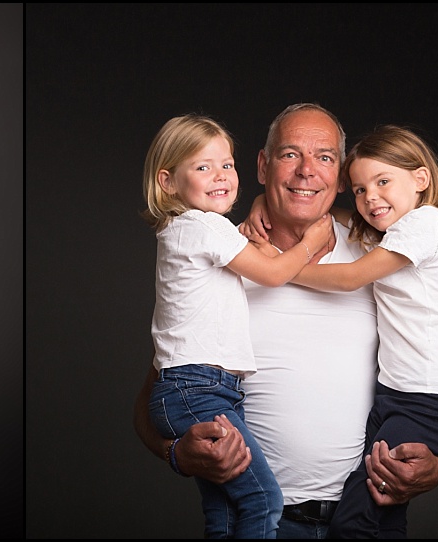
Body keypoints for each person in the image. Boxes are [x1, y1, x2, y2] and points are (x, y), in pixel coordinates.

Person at [133, 103, 438, 539]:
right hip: (265, 521)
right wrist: (177, 454)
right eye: (289, 155)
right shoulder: (220, 259)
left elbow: (431, 376)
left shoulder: (375, 251)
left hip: (367, 513)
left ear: (341, 177)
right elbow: (156, 399)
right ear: (263, 166)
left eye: (324, 157)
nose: (306, 171)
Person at [141, 114, 332, 538]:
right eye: (202, 166)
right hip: (200, 388)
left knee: (226, 515)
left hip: (199, 388)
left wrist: (259, 210)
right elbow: (272, 272)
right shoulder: (204, 226)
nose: (220, 176)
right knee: (263, 500)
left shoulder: (186, 230)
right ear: (168, 181)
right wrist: (311, 244)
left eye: (226, 165)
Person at [282, 124, 438, 538]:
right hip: (395, 397)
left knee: (354, 516)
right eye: (360, 190)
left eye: (383, 182)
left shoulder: (427, 224)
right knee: (385, 510)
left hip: (426, 402)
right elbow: (333, 216)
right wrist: (264, 202)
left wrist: (283, 270)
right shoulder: (391, 234)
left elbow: (350, 278)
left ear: (421, 179)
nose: (370, 198)